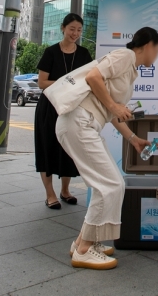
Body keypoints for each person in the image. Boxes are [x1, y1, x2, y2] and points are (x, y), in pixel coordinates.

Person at [56, 27, 158, 270]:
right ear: (147, 45)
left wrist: (134, 139)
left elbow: (114, 114)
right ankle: (83, 250)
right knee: (111, 184)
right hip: (79, 122)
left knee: (106, 183)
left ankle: (82, 242)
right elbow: (93, 78)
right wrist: (114, 106)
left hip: (85, 124)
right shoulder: (126, 56)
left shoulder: (131, 69)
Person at [35, 13, 93, 209]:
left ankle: (65, 190)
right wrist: (65, 83)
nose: (75, 33)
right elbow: (42, 82)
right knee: (47, 147)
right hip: (50, 107)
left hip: (72, 107)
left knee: (69, 148)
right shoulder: (51, 52)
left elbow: (88, 80)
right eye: (72, 29)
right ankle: (50, 193)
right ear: (63, 28)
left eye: (79, 30)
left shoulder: (84, 54)